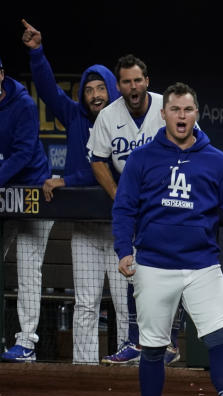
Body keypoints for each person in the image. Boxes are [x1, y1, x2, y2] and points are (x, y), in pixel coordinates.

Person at [112, 82, 223, 396]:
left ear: (196, 114)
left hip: (201, 265)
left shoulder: (217, 160)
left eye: (187, 110)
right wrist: (123, 250)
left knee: (218, 338)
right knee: (152, 348)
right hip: (153, 265)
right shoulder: (142, 159)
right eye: (175, 110)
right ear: (163, 114)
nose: (181, 116)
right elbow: (123, 209)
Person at [21, 19, 129, 365]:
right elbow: (48, 90)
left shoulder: (124, 121)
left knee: (126, 303)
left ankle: (131, 366)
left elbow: (103, 172)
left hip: (118, 228)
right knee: (85, 303)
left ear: (112, 89)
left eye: (101, 88)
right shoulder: (74, 115)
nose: (95, 95)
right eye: (89, 90)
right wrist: (37, 52)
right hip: (83, 226)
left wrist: (66, 180)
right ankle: (85, 370)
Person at [87, 53, 181, 366]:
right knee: (135, 273)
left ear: (147, 81)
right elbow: (98, 159)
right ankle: (137, 342)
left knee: (169, 271)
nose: (133, 86)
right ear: (119, 86)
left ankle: (170, 342)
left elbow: (191, 142)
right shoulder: (108, 116)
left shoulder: (166, 107)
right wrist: (120, 196)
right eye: (126, 82)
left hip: (168, 202)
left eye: (138, 80)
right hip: (134, 206)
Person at [0, 52, 53, 363]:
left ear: (2, 75)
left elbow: (22, 154)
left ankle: (27, 343)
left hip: (32, 190)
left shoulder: (23, 104)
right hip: (5, 190)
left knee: (27, 268)